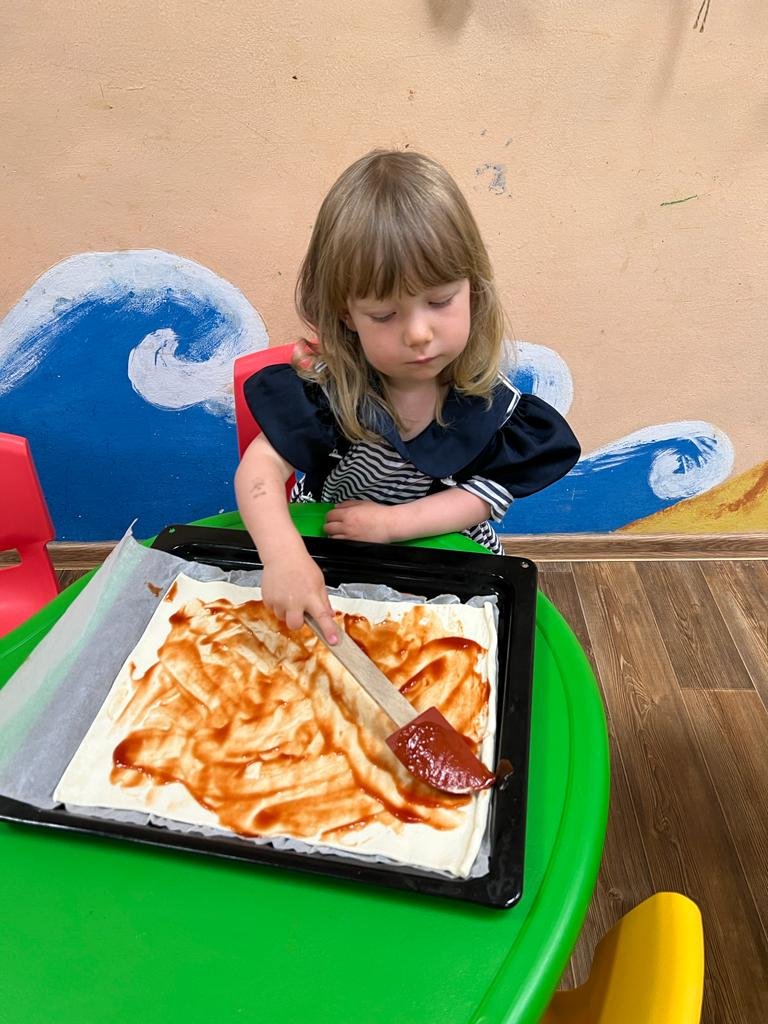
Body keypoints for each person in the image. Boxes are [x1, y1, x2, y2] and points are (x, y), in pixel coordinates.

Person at [235, 149, 580, 644]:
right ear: (347, 314)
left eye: (439, 301)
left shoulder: (488, 403)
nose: (418, 333)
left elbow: (484, 497)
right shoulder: (328, 388)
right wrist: (283, 554)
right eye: (384, 315)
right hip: (332, 544)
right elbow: (259, 470)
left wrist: (394, 524)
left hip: (446, 551)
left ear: (473, 291)